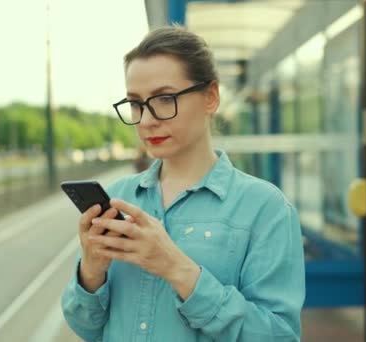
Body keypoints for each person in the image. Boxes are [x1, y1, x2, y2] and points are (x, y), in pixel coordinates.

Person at [61, 26, 305, 341]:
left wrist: (178, 270)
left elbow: (280, 337)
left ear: (211, 97)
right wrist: (92, 272)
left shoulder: (266, 209)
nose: (147, 119)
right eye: (136, 103)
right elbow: (86, 327)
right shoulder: (119, 196)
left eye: (165, 98)